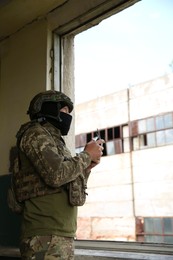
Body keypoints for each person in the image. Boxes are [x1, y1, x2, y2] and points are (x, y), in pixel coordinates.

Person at [13, 90, 104, 259]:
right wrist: (85, 156)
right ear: (48, 109)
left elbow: (67, 182)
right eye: (63, 111)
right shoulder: (35, 133)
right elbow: (56, 175)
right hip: (45, 235)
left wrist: (87, 167)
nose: (67, 116)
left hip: (59, 234)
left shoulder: (56, 143)